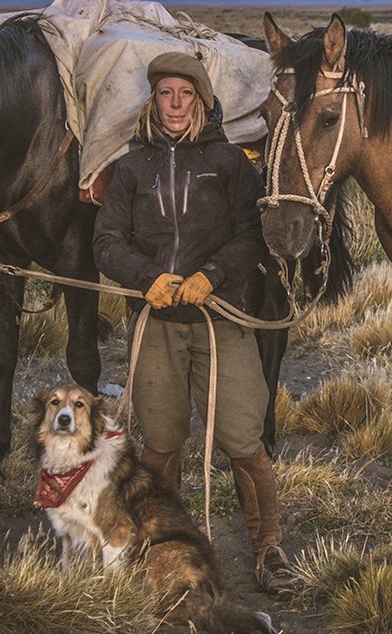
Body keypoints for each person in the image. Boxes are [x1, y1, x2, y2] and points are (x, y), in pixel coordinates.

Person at [92, 51, 297, 593]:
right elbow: (106, 242)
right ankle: (169, 552)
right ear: (153, 100)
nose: (175, 103)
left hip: (220, 317)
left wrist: (213, 274)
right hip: (155, 322)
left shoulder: (229, 164)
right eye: (165, 92)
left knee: (242, 435)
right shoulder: (132, 168)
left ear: (202, 101)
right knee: (160, 439)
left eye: (185, 93)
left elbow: (252, 235)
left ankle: (268, 547)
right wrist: (145, 278)